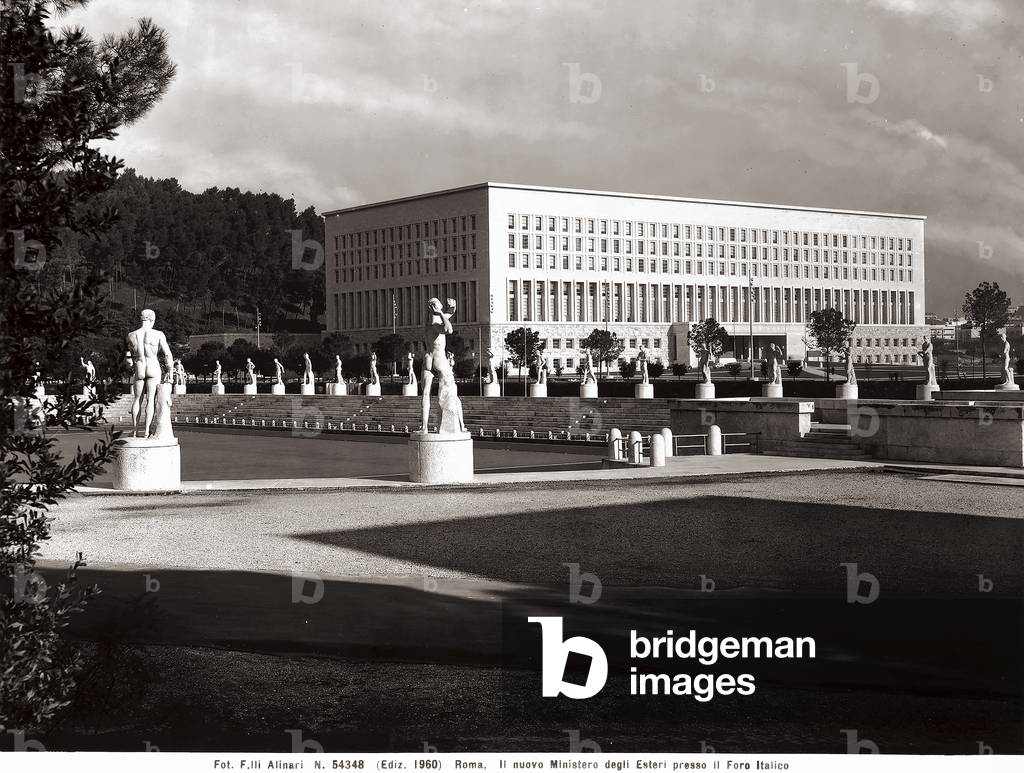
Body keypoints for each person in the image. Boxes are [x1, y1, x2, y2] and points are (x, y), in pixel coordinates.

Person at [419, 297, 466, 433]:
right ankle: (445, 427)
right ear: (436, 308)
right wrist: (441, 313)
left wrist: (452, 309)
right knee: (447, 391)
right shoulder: (435, 323)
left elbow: (448, 315)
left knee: (426, 393)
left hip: (428, 359)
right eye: (439, 306)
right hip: (439, 359)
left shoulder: (429, 322)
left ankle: (424, 427)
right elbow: (448, 329)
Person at [126, 309, 173, 438]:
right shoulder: (158, 334)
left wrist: (131, 364)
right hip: (153, 366)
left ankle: (135, 431)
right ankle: (146, 431)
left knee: (137, 399)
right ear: (152, 319)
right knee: (150, 399)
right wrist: (170, 372)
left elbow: (128, 355)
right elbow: (168, 354)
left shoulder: (131, 335)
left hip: (139, 367)